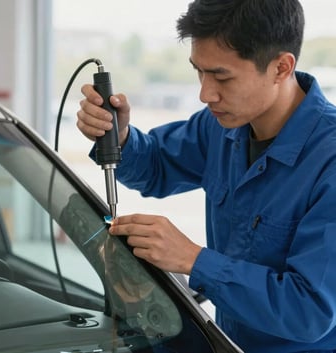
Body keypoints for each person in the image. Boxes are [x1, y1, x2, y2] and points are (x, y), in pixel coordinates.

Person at [76, 0, 336, 352]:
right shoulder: (222, 125)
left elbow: (310, 311)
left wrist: (192, 260)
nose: (205, 93)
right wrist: (119, 137)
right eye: (199, 71)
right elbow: (156, 166)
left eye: (222, 76)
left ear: (281, 67)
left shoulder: (329, 161)